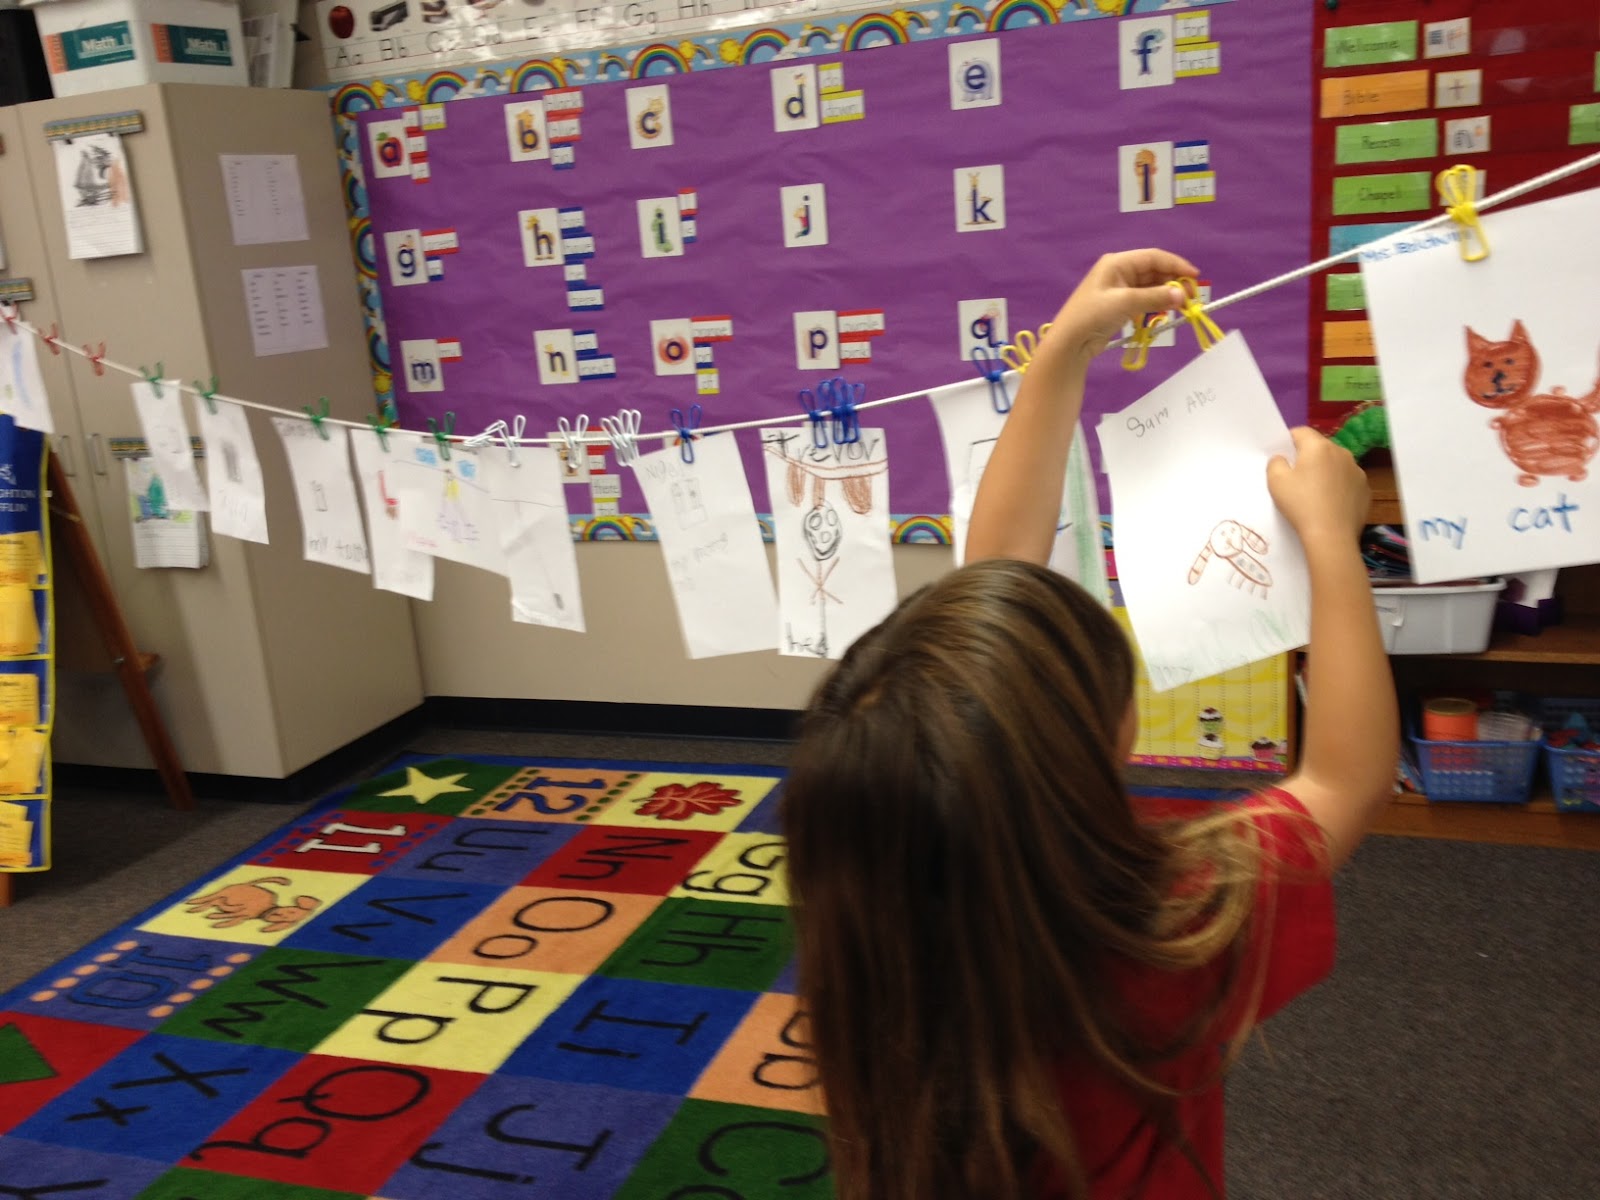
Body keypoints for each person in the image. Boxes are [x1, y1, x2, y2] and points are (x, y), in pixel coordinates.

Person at [780, 249, 1399, 1200]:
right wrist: (1331, 539)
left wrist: (1061, 353)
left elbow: (993, 596)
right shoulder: (1169, 928)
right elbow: (1344, 780)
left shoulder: (874, 961)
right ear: (1087, 752)